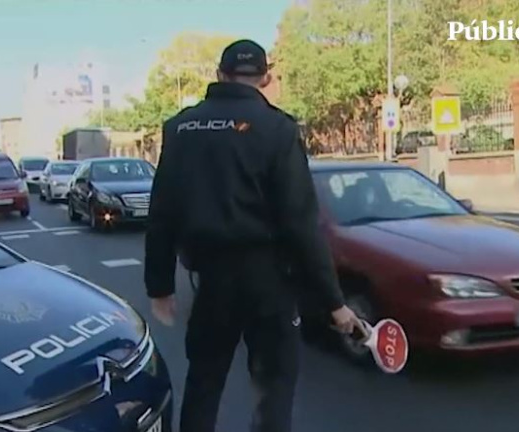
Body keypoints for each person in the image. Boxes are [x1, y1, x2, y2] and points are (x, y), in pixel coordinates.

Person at [144, 39, 366, 432]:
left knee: (203, 384)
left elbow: (162, 211)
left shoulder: (180, 128)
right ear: (265, 77)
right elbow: (301, 224)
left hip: (212, 282)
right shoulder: (278, 128)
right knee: (273, 389)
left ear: (220, 75)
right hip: (270, 284)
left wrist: (160, 286)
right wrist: (334, 303)